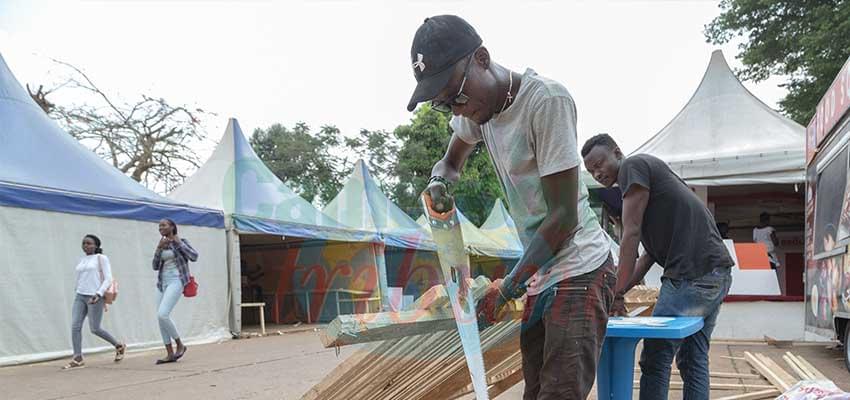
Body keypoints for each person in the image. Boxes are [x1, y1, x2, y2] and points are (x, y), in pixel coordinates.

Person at [407, 15, 616, 399]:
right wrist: (439, 182)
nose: (456, 110)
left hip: (580, 267)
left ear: (482, 59)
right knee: (535, 391)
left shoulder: (546, 102)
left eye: (457, 96)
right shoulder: (479, 112)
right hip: (541, 272)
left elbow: (564, 217)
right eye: (444, 105)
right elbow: (450, 164)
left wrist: (509, 287)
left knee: (560, 392)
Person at [582, 134, 734, 400]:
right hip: (716, 273)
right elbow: (647, 256)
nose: (597, 173)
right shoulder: (653, 191)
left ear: (617, 152)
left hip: (691, 276)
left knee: (654, 359)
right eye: (591, 170)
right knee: (693, 357)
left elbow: (630, 234)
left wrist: (615, 293)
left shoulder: (633, 167)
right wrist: (619, 290)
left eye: (599, 164)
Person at [63, 234, 125, 370]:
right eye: (84, 243)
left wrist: (98, 294)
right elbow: (80, 277)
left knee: (95, 328)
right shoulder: (82, 259)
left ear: (96, 245)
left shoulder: (101, 258)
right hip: (80, 295)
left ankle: (118, 345)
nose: (86, 246)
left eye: (89, 243)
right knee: (75, 326)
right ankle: (77, 358)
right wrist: (77, 289)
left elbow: (108, 278)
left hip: (94, 296)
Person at [152, 218, 198, 364]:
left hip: (177, 280)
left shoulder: (182, 241)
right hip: (162, 282)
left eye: (163, 225)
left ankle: (179, 344)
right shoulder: (162, 245)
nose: (161, 228)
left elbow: (194, 256)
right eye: (159, 226)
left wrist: (177, 243)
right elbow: (154, 266)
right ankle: (170, 353)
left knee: (163, 314)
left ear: (172, 227)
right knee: (160, 318)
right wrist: (159, 248)